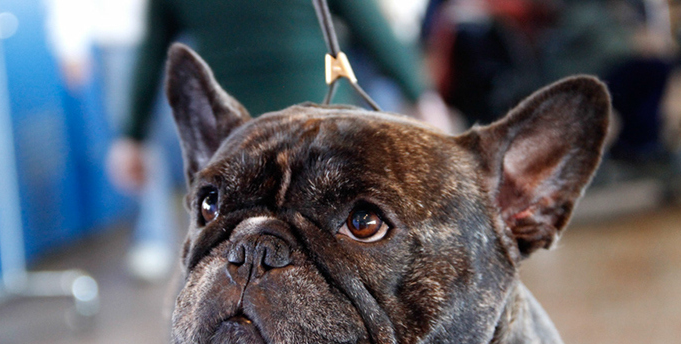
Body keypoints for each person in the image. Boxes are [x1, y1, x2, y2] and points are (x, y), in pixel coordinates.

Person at [108, 0, 450, 280]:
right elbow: (372, 27)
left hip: (236, 136)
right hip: (322, 121)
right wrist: (421, 95)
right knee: (338, 234)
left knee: (226, 241)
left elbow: (152, 54)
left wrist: (131, 135)